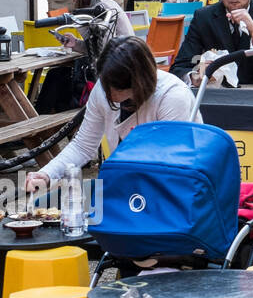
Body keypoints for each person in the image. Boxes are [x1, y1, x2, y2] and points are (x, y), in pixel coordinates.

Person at [27, 37, 199, 189]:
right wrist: (47, 173)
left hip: (175, 186)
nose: (107, 93)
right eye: (105, 83)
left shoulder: (172, 96)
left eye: (116, 87)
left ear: (138, 82)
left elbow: (170, 164)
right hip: (129, 182)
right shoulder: (103, 87)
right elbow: (83, 146)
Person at [57, 0, 135, 54]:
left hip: (122, 60)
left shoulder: (102, 7)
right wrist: (75, 43)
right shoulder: (105, 3)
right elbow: (99, 48)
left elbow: (103, 51)